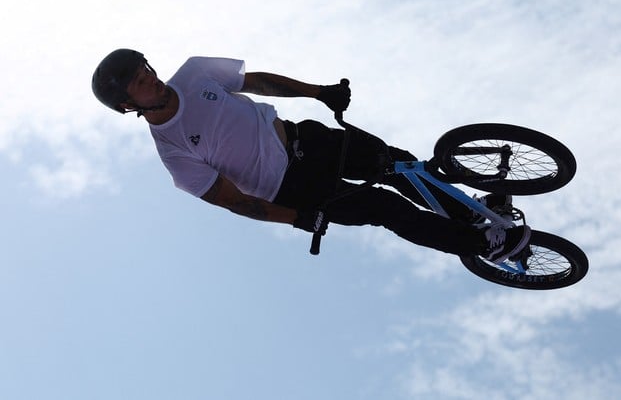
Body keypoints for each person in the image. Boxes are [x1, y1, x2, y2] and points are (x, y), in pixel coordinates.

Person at [91, 49, 531, 262]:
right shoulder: (173, 153)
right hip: (294, 189)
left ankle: (473, 214)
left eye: (146, 68)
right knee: (385, 208)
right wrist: (297, 219)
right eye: (138, 82)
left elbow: (258, 82)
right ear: (128, 105)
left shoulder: (194, 73)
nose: (150, 77)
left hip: (305, 139)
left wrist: (320, 92)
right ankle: (483, 245)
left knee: (397, 163)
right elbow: (234, 201)